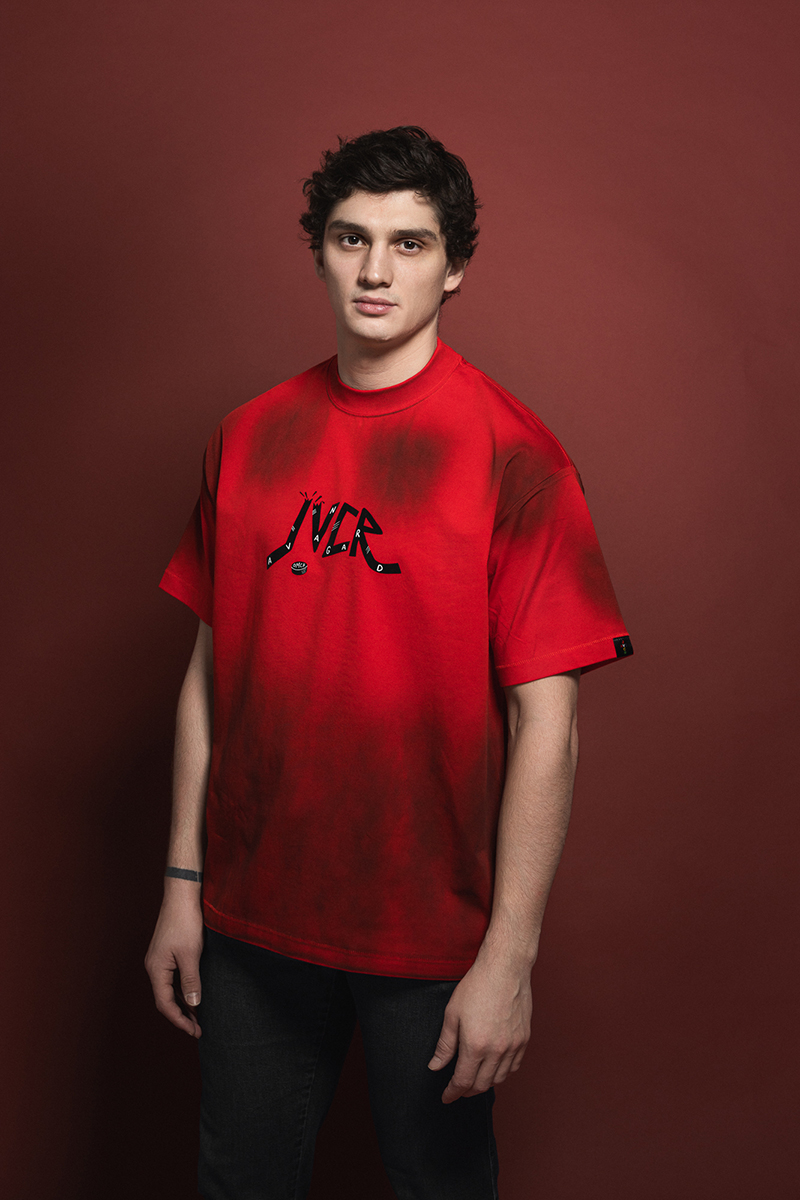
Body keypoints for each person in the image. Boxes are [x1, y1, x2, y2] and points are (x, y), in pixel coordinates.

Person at [145, 125, 632, 1200]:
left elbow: (546, 724)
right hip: (252, 921)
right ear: (319, 252)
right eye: (350, 238)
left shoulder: (516, 456)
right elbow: (206, 680)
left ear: (453, 267)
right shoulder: (248, 435)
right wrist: (183, 887)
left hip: (431, 936)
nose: (375, 269)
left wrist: (509, 959)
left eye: (409, 244)